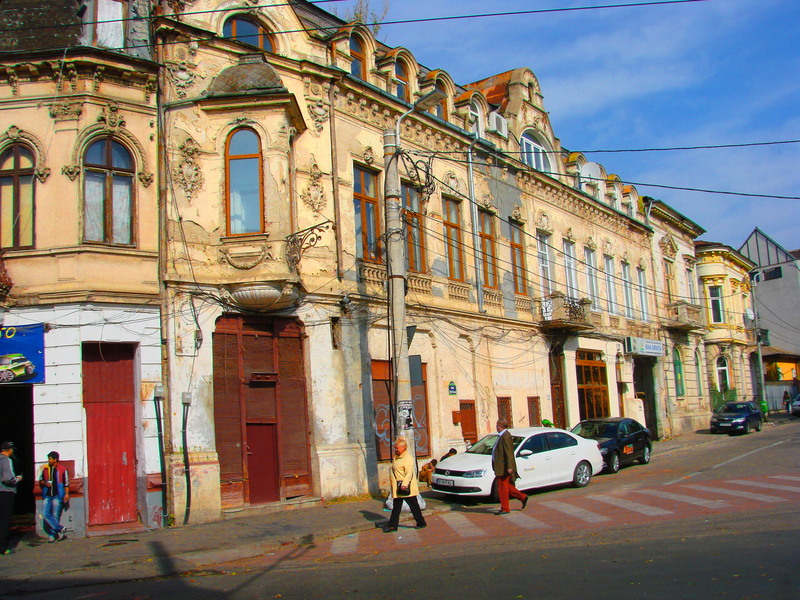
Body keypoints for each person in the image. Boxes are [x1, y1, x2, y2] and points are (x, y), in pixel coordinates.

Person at [384, 438, 427, 533]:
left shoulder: (408, 458)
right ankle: (392, 526)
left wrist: (404, 484)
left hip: (406, 487)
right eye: (395, 448)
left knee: (414, 505)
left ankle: (421, 522)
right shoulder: (396, 457)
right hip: (398, 487)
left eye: (397, 448)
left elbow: (409, 473)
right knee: (396, 507)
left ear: (404, 448)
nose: (396, 449)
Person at [492, 419, 528, 515]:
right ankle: (522, 497)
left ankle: (505, 508)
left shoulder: (506, 436)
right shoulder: (501, 436)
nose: (496, 427)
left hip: (504, 466)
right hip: (500, 465)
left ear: (500, 425)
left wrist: (510, 466)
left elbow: (509, 452)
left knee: (502, 488)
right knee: (505, 486)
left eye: (497, 425)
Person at [39, 451, 70, 542]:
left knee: (55, 515)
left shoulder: (63, 469)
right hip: (47, 495)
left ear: (55, 459)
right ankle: (60, 529)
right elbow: (40, 480)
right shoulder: (45, 469)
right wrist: (45, 483)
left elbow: (66, 483)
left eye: (50, 459)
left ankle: (52, 535)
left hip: (57, 495)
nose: (48, 461)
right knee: (45, 514)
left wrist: (67, 494)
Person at [0, 441, 22, 555]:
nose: (13, 451)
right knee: (5, 520)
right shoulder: (6, 460)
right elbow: (8, 479)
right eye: (12, 449)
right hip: (5, 493)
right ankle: (3, 547)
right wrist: (18, 479)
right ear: (9, 450)